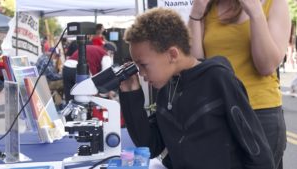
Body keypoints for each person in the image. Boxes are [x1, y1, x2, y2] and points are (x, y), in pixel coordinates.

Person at [119, 8, 274, 169]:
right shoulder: (167, 90)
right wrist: (131, 95)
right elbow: (149, 145)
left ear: (172, 54)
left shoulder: (217, 80)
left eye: (143, 65)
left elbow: (257, 151)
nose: (141, 74)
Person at [188, 0, 290, 168]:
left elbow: (266, 65)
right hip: (218, 114)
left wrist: (256, 13)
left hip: (259, 113)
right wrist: (196, 13)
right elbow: (197, 68)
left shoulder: (274, 3)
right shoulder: (209, 6)